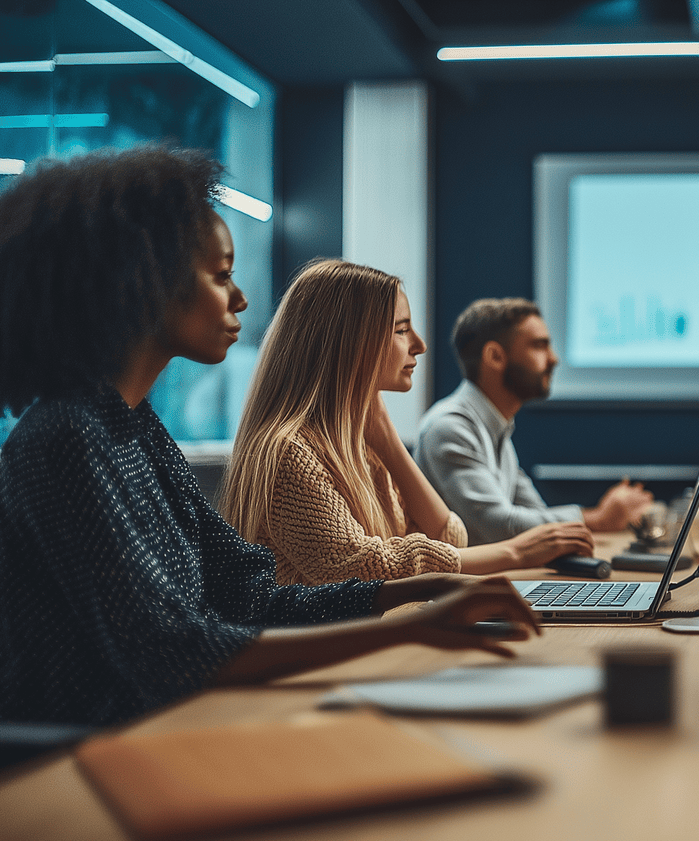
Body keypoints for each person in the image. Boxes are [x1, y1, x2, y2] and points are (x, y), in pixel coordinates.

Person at [0, 146, 539, 726]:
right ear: (142, 283)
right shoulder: (66, 439)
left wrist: (413, 593)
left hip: (175, 722)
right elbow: (170, 652)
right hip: (89, 753)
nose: (241, 299)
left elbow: (248, 596)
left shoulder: (134, 427)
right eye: (221, 277)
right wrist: (409, 624)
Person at [221, 263, 594, 586]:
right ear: (350, 344)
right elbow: (359, 567)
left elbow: (450, 536)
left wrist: (389, 443)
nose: (419, 344)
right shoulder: (289, 451)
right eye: (401, 330)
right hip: (315, 644)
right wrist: (514, 553)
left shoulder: (365, 448)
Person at [416, 298, 652, 543]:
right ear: (495, 356)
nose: (553, 359)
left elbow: (536, 516)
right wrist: (600, 519)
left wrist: (599, 517)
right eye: (539, 346)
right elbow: (499, 525)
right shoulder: (449, 428)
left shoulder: (496, 430)